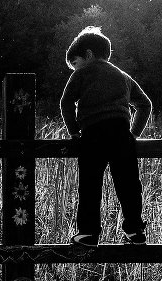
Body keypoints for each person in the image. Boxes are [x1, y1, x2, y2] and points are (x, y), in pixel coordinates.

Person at [60, 26, 152, 246]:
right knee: (128, 184)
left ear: (88, 55)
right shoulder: (123, 76)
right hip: (121, 134)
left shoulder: (82, 74)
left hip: (92, 135)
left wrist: (73, 131)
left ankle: (89, 233)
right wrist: (133, 134)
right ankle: (135, 230)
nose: (75, 68)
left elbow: (66, 102)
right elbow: (145, 105)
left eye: (75, 63)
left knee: (90, 185)